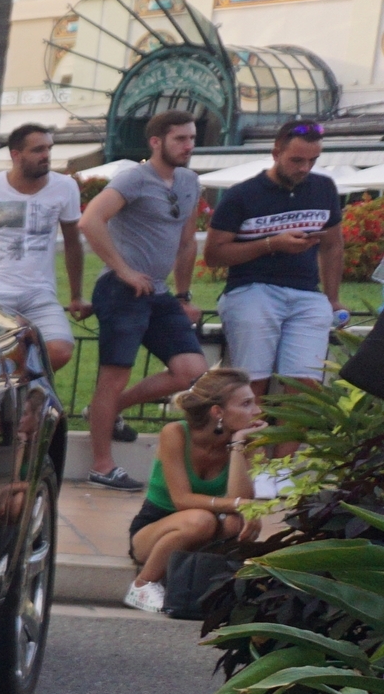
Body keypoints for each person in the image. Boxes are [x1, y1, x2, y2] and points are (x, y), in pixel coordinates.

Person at [78, 108, 207, 490]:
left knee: (191, 369)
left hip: (160, 293)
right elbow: (90, 221)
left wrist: (183, 294)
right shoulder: (133, 178)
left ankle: (108, 411)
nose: (188, 146)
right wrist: (122, 269)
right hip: (121, 290)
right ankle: (102, 465)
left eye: (192, 138)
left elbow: (186, 243)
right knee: (113, 376)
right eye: (180, 139)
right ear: (156, 142)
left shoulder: (189, 181)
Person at [206, 121, 344, 395]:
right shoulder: (241, 195)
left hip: (306, 293)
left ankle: (285, 438)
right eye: (296, 160)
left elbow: (333, 245)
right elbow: (214, 255)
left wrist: (332, 298)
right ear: (275, 153)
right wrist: (271, 244)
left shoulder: (323, 187)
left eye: (312, 160)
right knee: (252, 384)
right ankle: (246, 438)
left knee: (305, 386)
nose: (304, 168)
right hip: (251, 288)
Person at [125, 368, 263, 613]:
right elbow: (182, 500)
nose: (257, 411)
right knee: (201, 520)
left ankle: (209, 585)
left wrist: (239, 445)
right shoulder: (176, 433)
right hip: (155, 530)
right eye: (246, 404)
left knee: (234, 523)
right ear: (217, 412)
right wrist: (240, 505)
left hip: (204, 528)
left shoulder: (246, 440)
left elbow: (238, 499)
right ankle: (142, 584)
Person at [0, 123, 82, 372]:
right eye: (38, 150)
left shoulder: (65, 187)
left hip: (40, 293)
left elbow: (73, 242)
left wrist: (76, 295)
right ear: (16, 155)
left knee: (60, 350)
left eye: (49, 148)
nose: (46, 155)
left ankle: (17, 393)